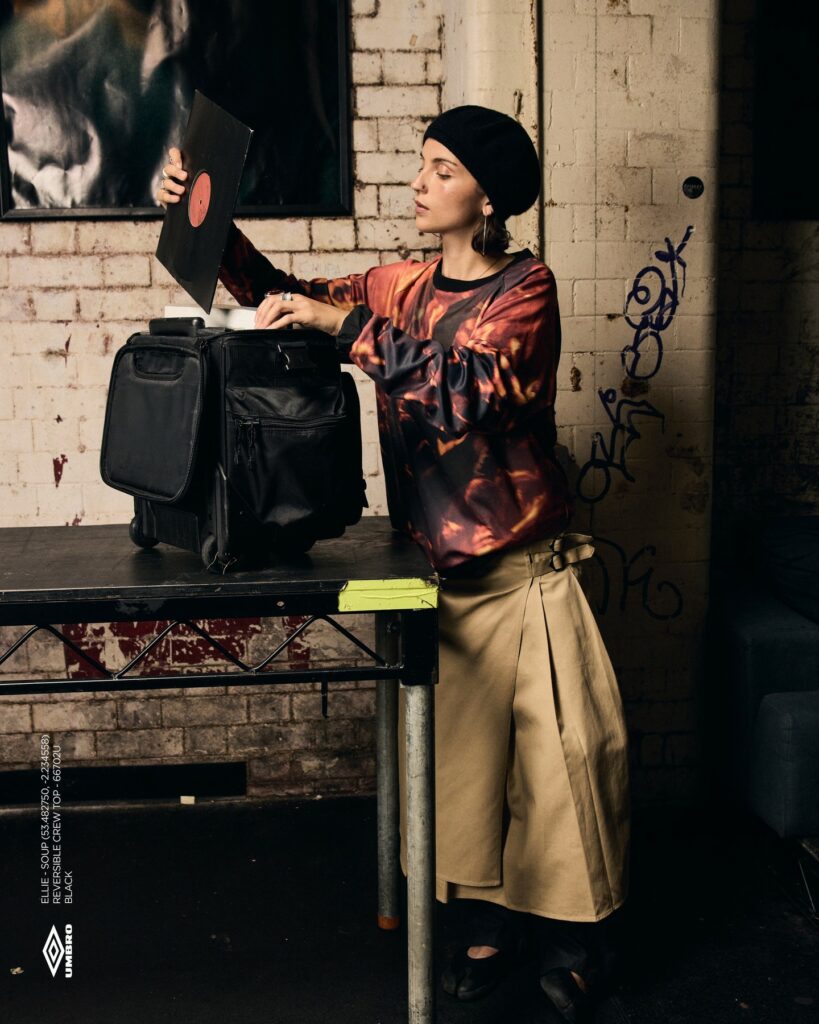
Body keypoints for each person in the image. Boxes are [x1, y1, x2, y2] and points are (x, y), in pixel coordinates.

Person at [157, 103, 631, 1022]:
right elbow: (279, 292)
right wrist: (201, 215)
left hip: (524, 570)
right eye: (421, 162)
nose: (418, 182)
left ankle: (579, 945)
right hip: (439, 579)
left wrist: (345, 327)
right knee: (466, 777)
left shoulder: (525, 289)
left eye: (442, 169)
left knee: (561, 773)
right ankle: (489, 929)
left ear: (488, 197)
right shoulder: (399, 286)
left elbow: (472, 392)